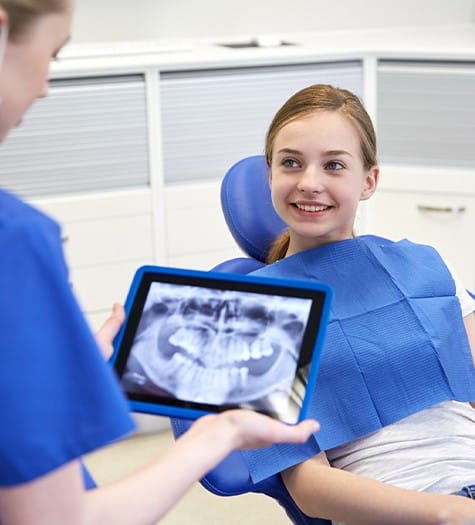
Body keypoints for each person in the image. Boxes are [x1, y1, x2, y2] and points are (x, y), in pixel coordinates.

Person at [0, 1, 320, 523]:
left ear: (369, 180)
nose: (43, 88)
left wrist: (59, 363)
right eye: (52, 55)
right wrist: (222, 433)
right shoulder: (15, 240)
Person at [238, 84, 475, 525]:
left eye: (333, 165)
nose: (310, 182)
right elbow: (309, 487)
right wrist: (450, 512)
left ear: (368, 181)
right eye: (291, 162)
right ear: (269, 174)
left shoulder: (426, 267)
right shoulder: (254, 313)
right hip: (414, 507)